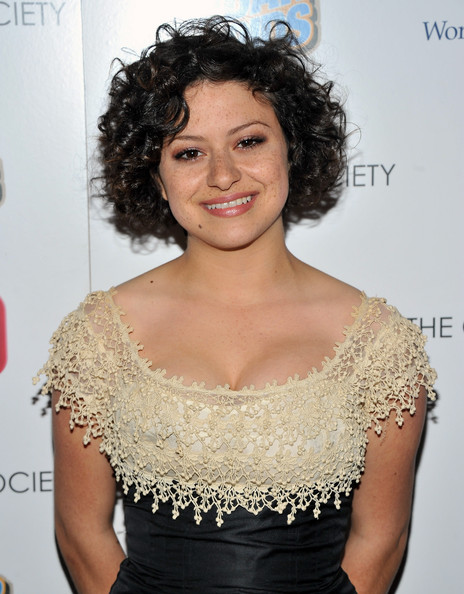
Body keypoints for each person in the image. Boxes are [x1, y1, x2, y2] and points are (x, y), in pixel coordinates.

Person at [35, 16, 436, 594]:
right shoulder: (99, 336)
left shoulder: (378, 343)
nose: (223, 176)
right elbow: (81, 533)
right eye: (188, 153)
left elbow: (381, 540)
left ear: (292, 148)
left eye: (248, 141)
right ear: (157, 176)